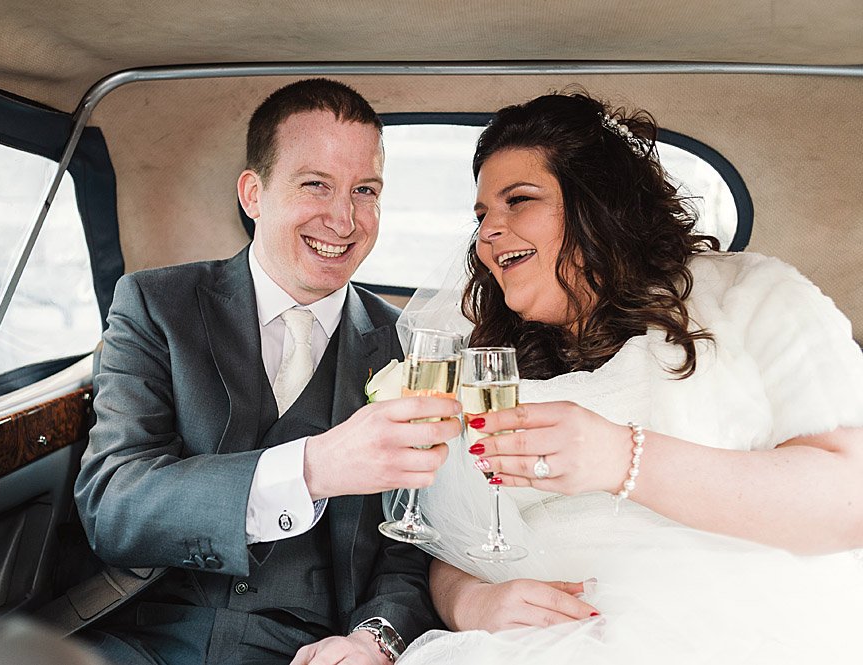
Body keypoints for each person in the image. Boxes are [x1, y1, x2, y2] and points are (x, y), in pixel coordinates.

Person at [395, 90, 863, 664]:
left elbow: (850, 500)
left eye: (519, 200)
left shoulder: (754, 296)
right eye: (482, 216)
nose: (489, 230)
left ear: (598, 204)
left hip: (732, 628)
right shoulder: (481, 353)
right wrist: (469, 602)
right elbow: (453, 535)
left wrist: (623, 457)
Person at [74, 78, 460, 665]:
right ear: (253, 194)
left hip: (312, 650)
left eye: (365, 190)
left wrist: (375, 639)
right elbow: (113, 505)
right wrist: (311, 469)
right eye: (316, 185)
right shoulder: (156, 305)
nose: (344, 220)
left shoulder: (408, 349)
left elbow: (411, 547)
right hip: (140, 637)